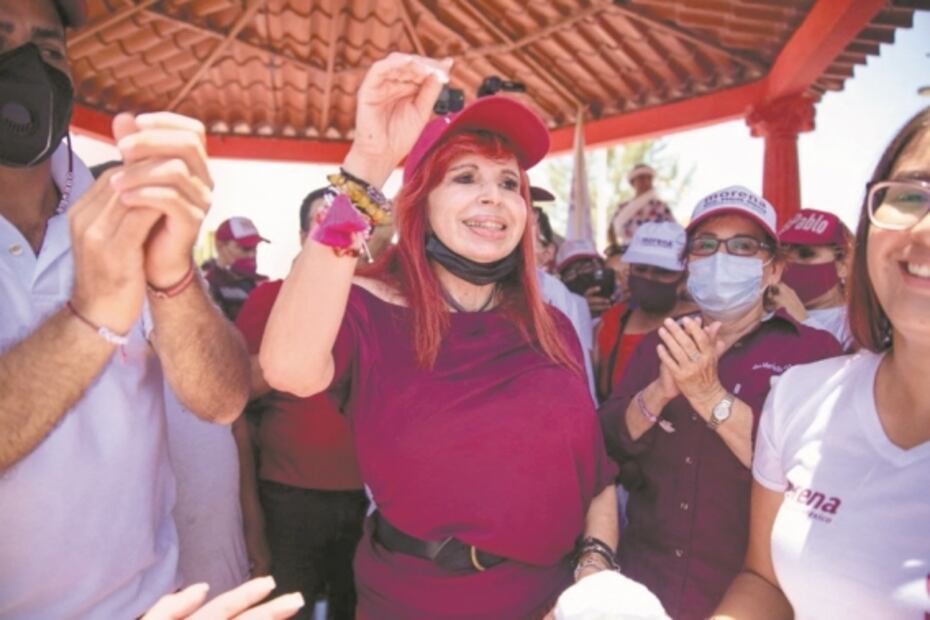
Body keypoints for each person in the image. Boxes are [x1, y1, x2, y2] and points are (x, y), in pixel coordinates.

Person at [260, 53, 619, 619]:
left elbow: (597, 475)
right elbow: (286, 367)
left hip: (556, 603)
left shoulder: (553, 328)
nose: (493, 196)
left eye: (509, 183)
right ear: (420, 204)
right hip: (418, 602)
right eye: (465, 177)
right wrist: (369, 164)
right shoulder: (368, 310)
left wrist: (594, 575)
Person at [0, 1, 251, 618]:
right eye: (2, 41)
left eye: (49, 50)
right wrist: (91, 317)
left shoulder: (116, 206)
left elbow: (220, 400)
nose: (29, 66)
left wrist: (171, 277)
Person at [713, 108, 930, 619]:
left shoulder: (808, 342)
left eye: (813, 255)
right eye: (911, 196)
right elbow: (764, 580)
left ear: (842, 257)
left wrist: (710, 399)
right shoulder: (802, 393)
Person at [598, 186, 842, 619]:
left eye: (743, 246)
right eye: (706, 246)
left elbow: (814, 480)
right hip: (643, 587)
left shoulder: (814, 353)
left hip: (750, 598)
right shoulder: (661, 341)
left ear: (773, 270)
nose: (720, 258)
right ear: (689, 265)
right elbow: (608, 443)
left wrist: (709, 395)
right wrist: (657, 394)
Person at [233, 186, 368, 620]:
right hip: (290, 499)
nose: (340, 230)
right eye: (324, 220)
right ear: (301, 236)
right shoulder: (269, 298)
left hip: (369, 501)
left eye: (352, 223)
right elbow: (235, 392)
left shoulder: (378, 302)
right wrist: (298, 341)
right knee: (289, 611)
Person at [595, 221, 695, 402]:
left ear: (684, 277)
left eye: (663, 271)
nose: (649, 278)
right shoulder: (613, 320)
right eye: (641, 269)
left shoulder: (701, 325)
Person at [772, 207, 855, 350]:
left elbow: (848, 371)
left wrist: (803, 322)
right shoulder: (766, 314)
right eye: (783, 255)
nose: (789, 264)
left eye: (805, 255)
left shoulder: (856, 325)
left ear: (843, 264)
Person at [202, 216, 270, 320]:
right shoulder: (207, 286)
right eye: (245, 248)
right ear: (220, 246)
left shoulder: (259, 283)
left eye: (255, 248)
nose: (252, 254)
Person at [607, 163, 675, 252]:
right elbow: (611, 230)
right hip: (627, 252)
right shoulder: (622, 207)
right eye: (642, 178)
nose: (646, 182)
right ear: (632, 182)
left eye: (649, 178)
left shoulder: (660, 206)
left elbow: (674, 231)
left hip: (654, 253)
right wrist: (615, 250)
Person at [556, 238, 615, 318]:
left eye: (586, 266)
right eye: (570, 272)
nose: (579, 274)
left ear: (600, 266)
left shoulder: (619, 292)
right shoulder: (559, 309)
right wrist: (580, 309)